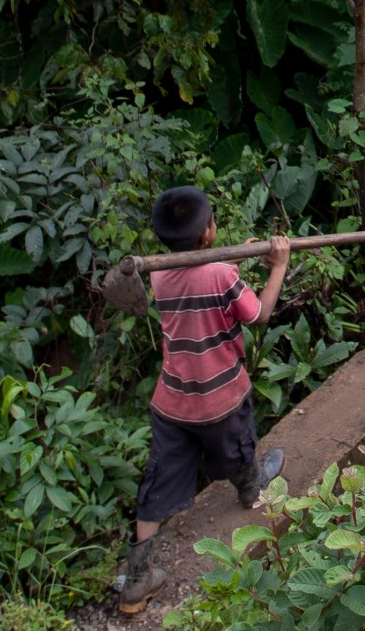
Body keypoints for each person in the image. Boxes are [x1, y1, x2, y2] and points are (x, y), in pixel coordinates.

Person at [113, 188, 291, 615]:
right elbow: (258, 313)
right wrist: (278, 267)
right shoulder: (220, 277)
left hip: (174, 402)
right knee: (236, 445)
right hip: (220, 397)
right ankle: (252, 487)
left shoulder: (158, 274)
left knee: (160, 476)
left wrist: (237, 259)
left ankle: (137, 580)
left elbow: (199, 281)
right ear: (209, 232)